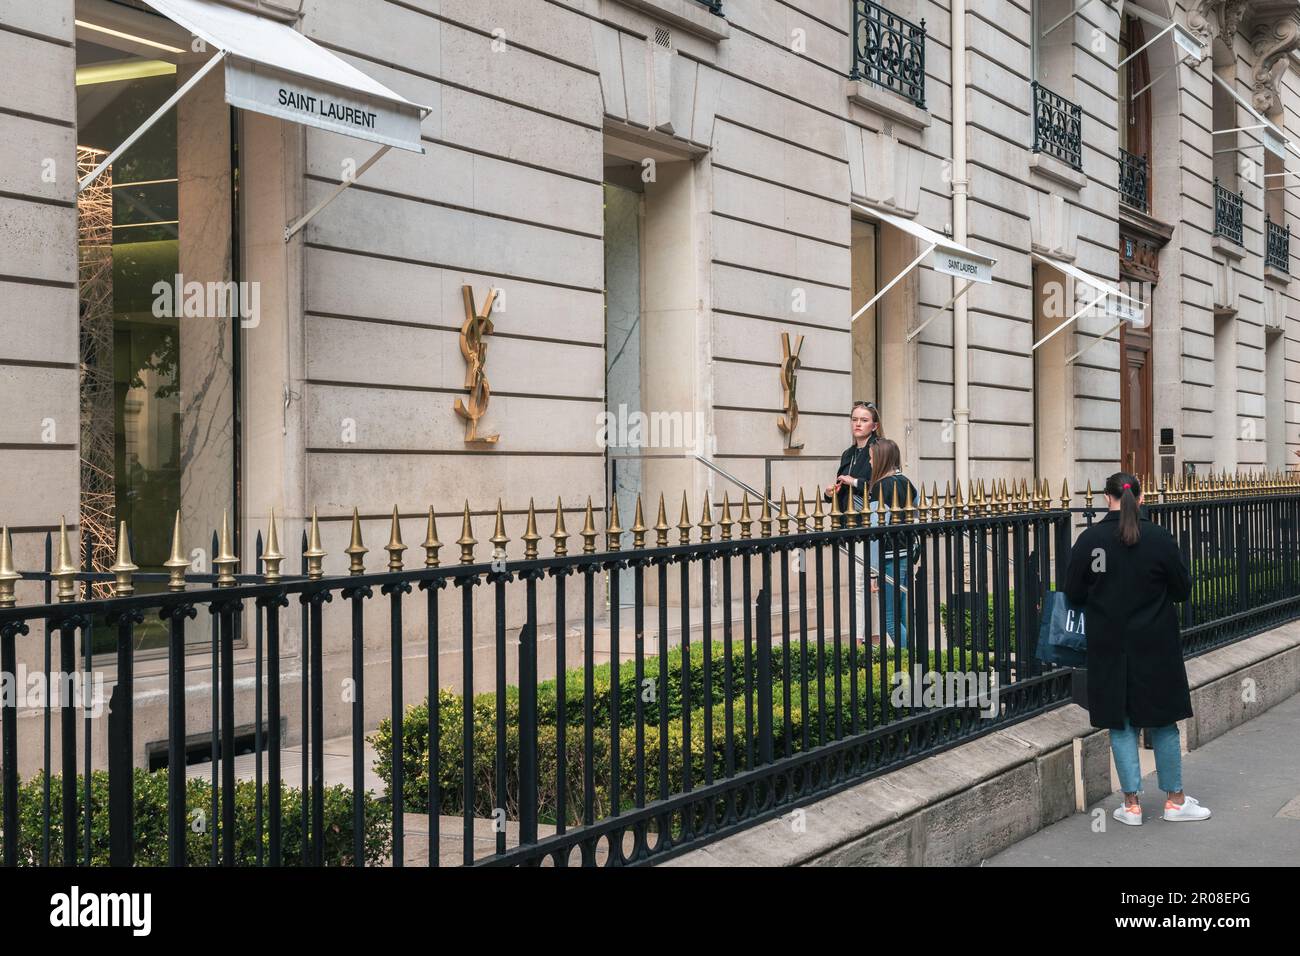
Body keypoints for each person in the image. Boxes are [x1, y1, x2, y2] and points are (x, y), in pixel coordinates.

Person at [1064, 472, 1211, 825]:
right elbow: (1181, 590)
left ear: (1106, 498)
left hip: (1108, 644)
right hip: (1156, 643)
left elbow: (1072, 593)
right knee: (1162, 721)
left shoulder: (1091, 540)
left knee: (1121, 721)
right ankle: (1175, 801)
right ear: (1141, 498)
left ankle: (1130, 805)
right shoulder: (1159, 538)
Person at [864, 439, 918, 649]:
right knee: (902, 613)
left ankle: (909, 660)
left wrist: (872, 572)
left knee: (889, 618)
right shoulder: (905, 481)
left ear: (880, 459)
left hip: (888, 558)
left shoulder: (880, 487)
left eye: (871, 457)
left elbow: (877, 531)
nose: (869, 462)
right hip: (906, 553)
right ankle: (916, 659)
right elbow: (920, 509)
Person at [822, 401, 882, 516]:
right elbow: (842, 490)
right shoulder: (848, 453)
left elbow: (884, 485)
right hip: (844, 519)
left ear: (874, 426)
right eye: (854, 420)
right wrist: (830, 494)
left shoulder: (881, 449)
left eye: (864, 420)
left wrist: (854, 482)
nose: (858, 424)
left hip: (869, 519)